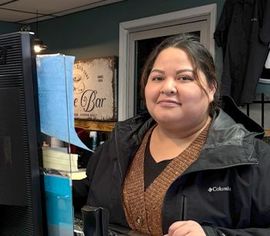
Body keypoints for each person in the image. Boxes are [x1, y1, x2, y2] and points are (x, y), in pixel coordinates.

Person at [73, 33, 270, 236]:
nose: (167, 88)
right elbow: (87, 192)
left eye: (184, 78)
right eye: (157, 78)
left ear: (211, 89)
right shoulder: (119, 143)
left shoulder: (252, 159)